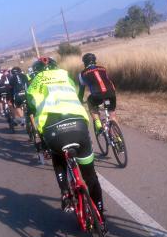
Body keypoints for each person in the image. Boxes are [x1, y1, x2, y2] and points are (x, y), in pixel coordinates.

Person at [26, 57, 106, 220]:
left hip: (53, 130)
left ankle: (65, 192)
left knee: (58, 157)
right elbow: (77, 95)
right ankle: (101, 219)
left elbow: (32, 113)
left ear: (36, 72)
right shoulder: (65, 76)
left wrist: (41, 141)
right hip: (78, 125)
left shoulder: (33, 83)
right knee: (90, 177)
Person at [77, 53, 117, 135]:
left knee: (90, 103)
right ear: (95, 61)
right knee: (112, 116)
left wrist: (80, 100)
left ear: (84, 63)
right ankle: (118, 137)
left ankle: (98, 125)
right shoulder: (103, 69)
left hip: (97, 95)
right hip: (111, 93)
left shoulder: (82, 74)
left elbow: (81, 89)